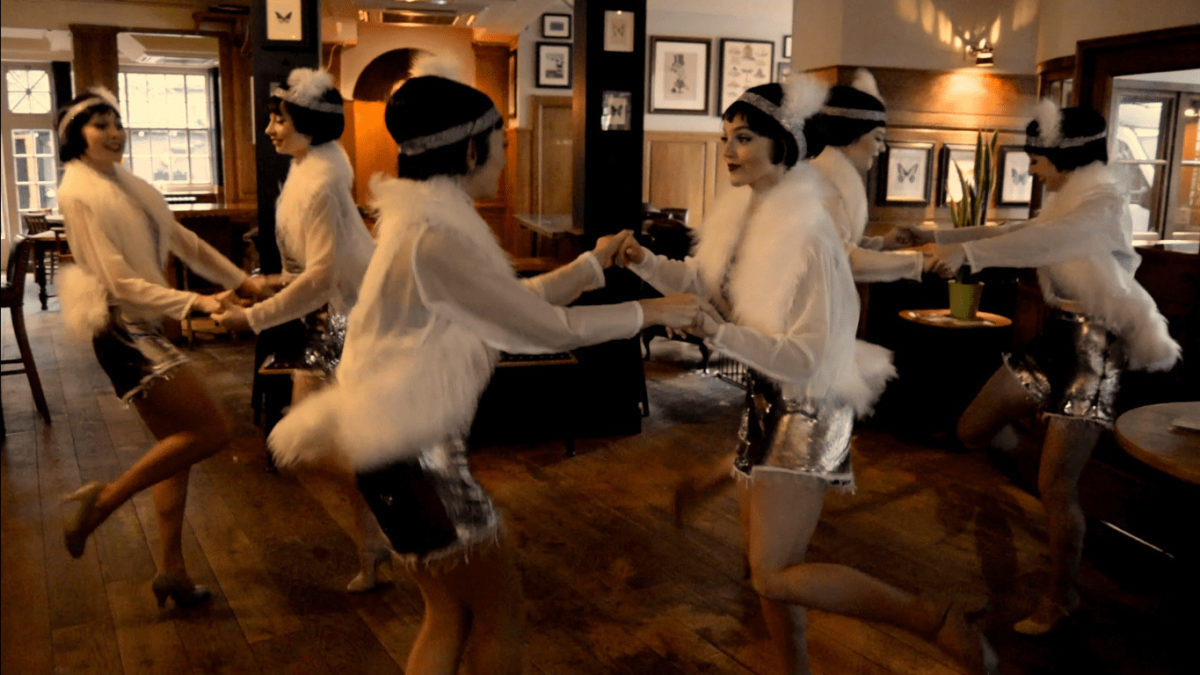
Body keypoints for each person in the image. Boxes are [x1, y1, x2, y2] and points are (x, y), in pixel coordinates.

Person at [266, 69, 701, 674]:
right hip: (421, 462)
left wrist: (592, 265)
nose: (503, 156)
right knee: (500, 614)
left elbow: (508, 306)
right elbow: (541, 330)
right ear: (470, 151)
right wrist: (651, 312)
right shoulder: (435, 238)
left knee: (450, 614)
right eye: (499, 142)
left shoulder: (420, 227)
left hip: (393, 454)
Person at [616, 75, 998, 674]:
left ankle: (933, 619)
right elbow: (701, 278)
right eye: (725, 137)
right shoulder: (749, 211)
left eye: (744, 138)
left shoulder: (808, 232)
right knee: (768, 568)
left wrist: (719, 333)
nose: (728, 150)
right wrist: (643, 261)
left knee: (772, 572)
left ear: (785, 143)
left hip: (810, 405)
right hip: (769, 396)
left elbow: (811, 358)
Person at [915, 101, 1181, 635]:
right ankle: (1039, 462)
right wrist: (943, 239)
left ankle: (1061, 597)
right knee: (972, 429)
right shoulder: (1070, 198)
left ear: (1065, 157)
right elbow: (1022, 230)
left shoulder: (1101, 205)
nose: (1032, 169)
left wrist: (966, 255)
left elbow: (1043, 242)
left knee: (1057, 489)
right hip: (1058, 336)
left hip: (1093, 351)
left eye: (1037, 160)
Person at [55, 87, 263, 608]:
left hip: (142, 323)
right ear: (76, 137)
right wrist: (197, 302)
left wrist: (241, 281)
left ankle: (171, 571)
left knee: (177, 449)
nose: (114, 133)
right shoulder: (78, 192)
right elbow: (118, 282)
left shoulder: (128, 184)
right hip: (122, 328)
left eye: (117, 123)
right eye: (100, 125)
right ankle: (103, 503)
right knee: (211, 430)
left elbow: (184, 242)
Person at [212, 68, 386, 593]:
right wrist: (262, 284)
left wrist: (252, 317)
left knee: (310, 442)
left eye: (279, 118)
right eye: (271, 118)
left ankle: (392, 525)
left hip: (346, 324)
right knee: (316, 443)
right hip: (331, 321)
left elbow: (323, 277)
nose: (269, 128)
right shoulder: (312, 171)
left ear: (308, 123)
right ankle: (379, 537)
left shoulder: (321, 182)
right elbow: (314, 271)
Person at [809, 69, 948, 281]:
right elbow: (842, 259)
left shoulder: (826, 176)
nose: (882, 148)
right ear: (851, 135)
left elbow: (838, 242)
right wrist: (918, 262)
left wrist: (883, 243)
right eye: (877, 138)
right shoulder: (822, 183)